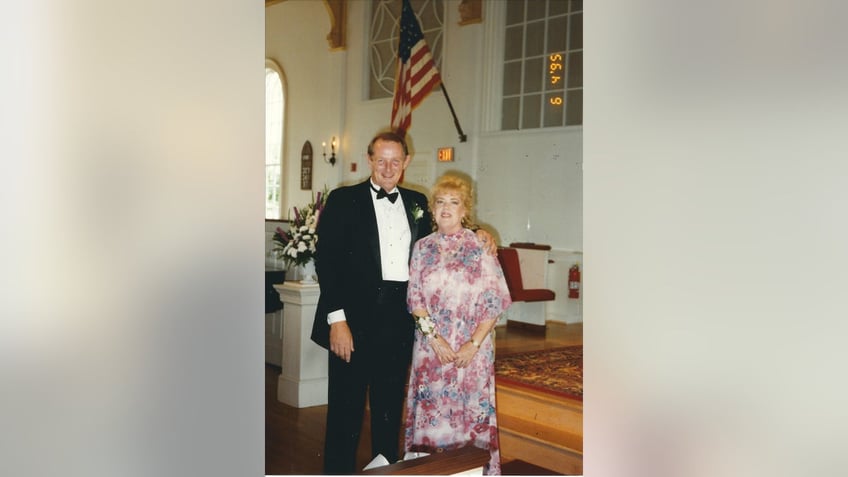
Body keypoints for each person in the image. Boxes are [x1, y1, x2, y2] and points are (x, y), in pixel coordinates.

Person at [310, 131, 495, 474]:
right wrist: (337, 320)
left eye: (396, 160)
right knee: (344, 412)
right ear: (369, 160)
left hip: (399, 320)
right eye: (381, 160)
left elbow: (447, 229)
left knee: (389, 409)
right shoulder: (343, 199)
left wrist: (479, 232)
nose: (388, 167)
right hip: (352, 320)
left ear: (406, 162)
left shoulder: (417, 201)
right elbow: (327, 263)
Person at [404, 174, 512, 475]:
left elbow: (496, 302)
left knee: (470, 417)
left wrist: (473, 344)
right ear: (432, 208)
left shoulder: (480, 246)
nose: (446, 208)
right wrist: (435, 340)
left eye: (454, 202)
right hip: (431, 351)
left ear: (466, 210)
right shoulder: (422, 248)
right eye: (440, 202)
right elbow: (415, 300)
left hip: (471, 353)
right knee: (431, 417)